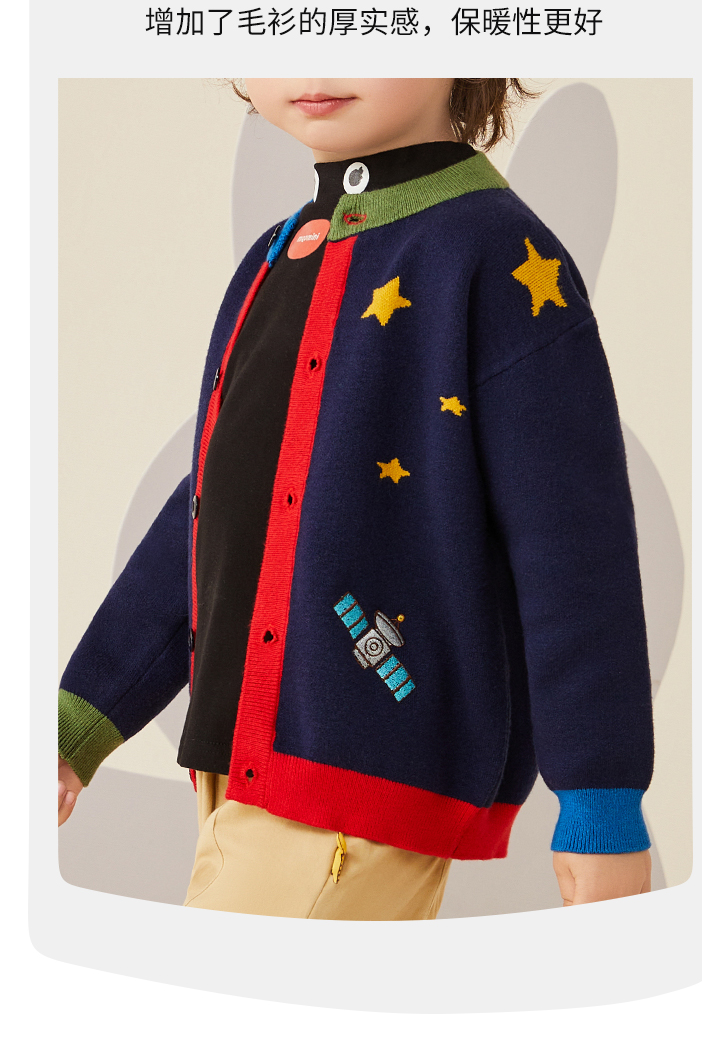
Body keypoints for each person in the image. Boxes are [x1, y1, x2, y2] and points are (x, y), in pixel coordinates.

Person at [58, 78, 654, 919]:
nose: (317, 58)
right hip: (239, 769)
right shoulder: (273, 256)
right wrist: (79, 720)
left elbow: (575, 550)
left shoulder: (497, 255)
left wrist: (602, 803)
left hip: (357, 778)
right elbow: (215, 511)